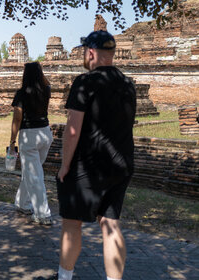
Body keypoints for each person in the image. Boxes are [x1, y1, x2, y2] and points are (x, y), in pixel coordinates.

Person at [52, 31, 136, 280]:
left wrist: (64, 165)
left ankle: (64, 278)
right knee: (110, 224)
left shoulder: (85, 82)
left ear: (90, 52)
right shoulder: (127, 84)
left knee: (71, 224)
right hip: (121, 163)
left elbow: (73, 129)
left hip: (88, 165)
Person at [9, 62, 54, 226]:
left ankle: (43, 214)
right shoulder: (45, 90)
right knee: (32, 171)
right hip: (45, 134)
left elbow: (17, 119)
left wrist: (12, 140)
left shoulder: (21, 93)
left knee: (34, 175)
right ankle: (22, 204)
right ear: (40, 74)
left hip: (29, 135)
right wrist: (39, 74)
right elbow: (47, 83)